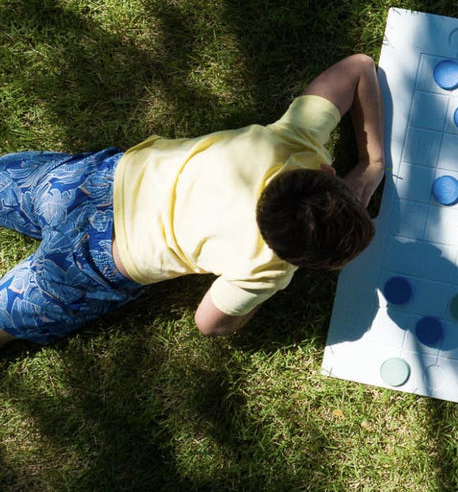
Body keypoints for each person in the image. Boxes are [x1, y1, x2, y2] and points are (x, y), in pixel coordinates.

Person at [0, 54, 385, 348]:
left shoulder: (293, 141)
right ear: (296, 261)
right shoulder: (266, 265)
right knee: (11, 317)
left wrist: (372, 162)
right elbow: (210, 323)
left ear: (327, 171)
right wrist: (247, 308)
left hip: (90, 182)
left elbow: (358, 66)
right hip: (92, 261)